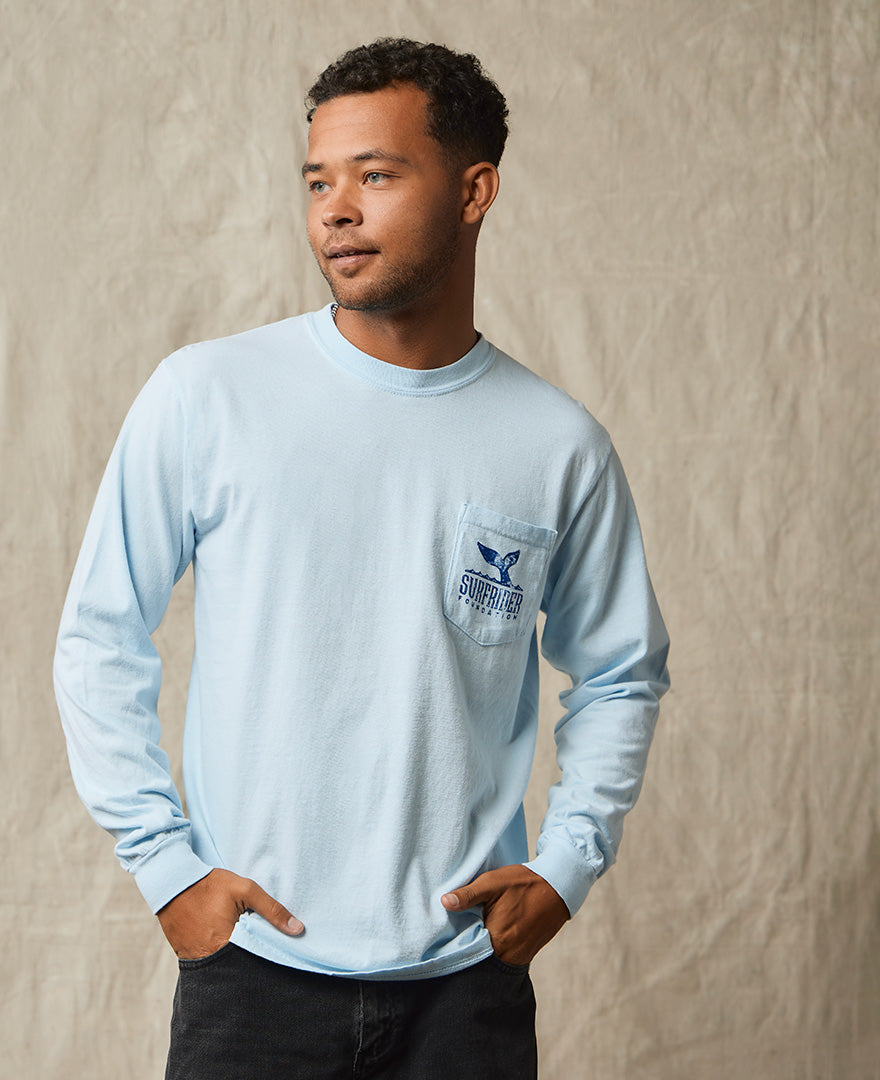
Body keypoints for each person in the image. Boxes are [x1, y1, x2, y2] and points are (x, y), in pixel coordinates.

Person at [54, 37, 669, 1079]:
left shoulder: (557, 446)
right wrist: (166, 869)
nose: (335, 210)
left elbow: (621, 673)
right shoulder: (208, 396)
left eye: (375, 176)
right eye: (318, 181)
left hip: (464, 989)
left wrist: (566, 866)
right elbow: (98, 637)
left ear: (474, 192)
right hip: (253, 972)